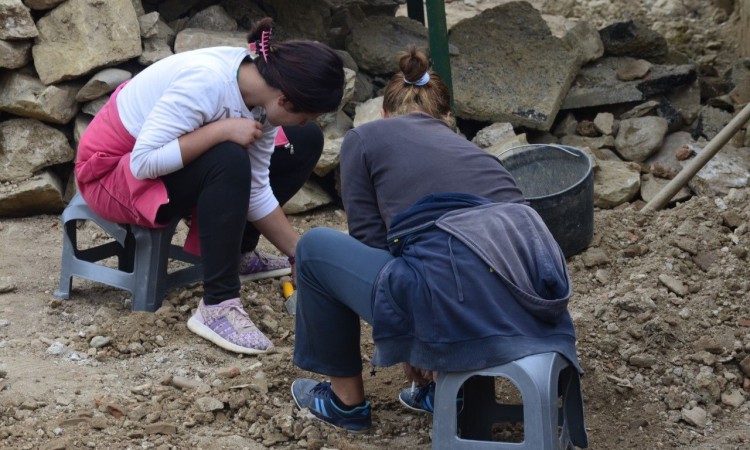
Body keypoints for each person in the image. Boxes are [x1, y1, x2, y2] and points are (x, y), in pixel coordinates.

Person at [289, 47, 582, 433]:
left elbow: (371, 243)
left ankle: (345, 404)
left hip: (455, 300)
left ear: (385, 115)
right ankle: (453, 393)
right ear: (448, 120)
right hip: (533, 309)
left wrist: (409, 338)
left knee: (314, 249)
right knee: (455, 261)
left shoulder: (365, 138)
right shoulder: (483, 159)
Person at [74, 17, 345, 355]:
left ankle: (240, 255)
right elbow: (142, 162)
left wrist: (299, 251)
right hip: (112, 176)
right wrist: (221, 131)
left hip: (165, 165)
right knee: (229, 156)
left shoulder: (261, 95)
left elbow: (257, 188)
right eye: (304, 114)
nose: (302, 120)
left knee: (301, 140)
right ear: (285, 100)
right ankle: (218, 304)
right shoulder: (207, 82)